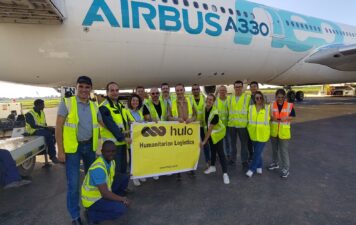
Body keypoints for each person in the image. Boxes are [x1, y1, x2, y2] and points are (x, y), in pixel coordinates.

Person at [56, 76, 103, 225]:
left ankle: (91, 209)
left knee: (92, 181)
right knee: (73, 184)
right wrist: (60, 150)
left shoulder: (94, 106)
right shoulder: (67, 103)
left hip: (89, 147)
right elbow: (58, 128)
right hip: (73, 149)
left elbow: (103, 123)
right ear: (76, 88)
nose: (84, 90)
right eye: (81, 87)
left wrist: (125, 132)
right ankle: (75, 216)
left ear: (91, 89)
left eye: (87, 87)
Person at [82, 141, 129, 225]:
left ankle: (114, 201)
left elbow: (113, 175)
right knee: (121, 209)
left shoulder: (111, 161)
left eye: (113, 151)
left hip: (103, 191)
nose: (111, 154)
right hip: (93, 200)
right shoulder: (98, 168)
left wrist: (127, 175)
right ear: (102, 151)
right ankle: (92, 215)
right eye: (108, 151)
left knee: (125, 177)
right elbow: (105, 194)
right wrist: (121, 199)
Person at [99, 82, 131, 176]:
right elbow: (111, 126)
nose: (115, 92)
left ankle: (122, 188)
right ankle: (114, 190)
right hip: (111, 145)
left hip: (121, 143)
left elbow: (124, 122)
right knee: (114, 170)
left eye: (117, 90)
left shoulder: (120, 105)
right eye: (112, 90)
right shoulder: (104, 107)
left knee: (123, 167)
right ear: (107, 92)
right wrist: (124, 138)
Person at [168, 84, 197, 180]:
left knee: (189, 150)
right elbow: (168, 117)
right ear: (175, 92)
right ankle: (178, 171)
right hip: (177, 131)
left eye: (181, 90)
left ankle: (190, 168)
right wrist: (176, 119)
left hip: (188, 131)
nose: (179, 92)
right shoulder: (171, 102)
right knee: (178, 151)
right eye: (177, 90)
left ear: (184, 90)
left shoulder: (190, 101)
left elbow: (195, 115)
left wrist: (192, 119)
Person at [201, 94, 230, 184]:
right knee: (213, 151)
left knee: (221, 154)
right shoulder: (204, 109)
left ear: (213, 102)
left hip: (218, 134)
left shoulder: (215, 114)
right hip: (211, 135)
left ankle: (225, 174)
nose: (209, 101)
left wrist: (204, 141)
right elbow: (204, 122)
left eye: (211, 100)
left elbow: (210, 129)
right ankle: (212, 167)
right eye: (208, 99)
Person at [267, 89, 296, 178]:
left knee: (283, 151)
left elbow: (292, 116)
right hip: (274, 131)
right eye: (278, 97)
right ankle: (275, 163)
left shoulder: (289, 105)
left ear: (285, 97)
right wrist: (272, 118)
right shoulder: (272, 105)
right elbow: (268, 116)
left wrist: (286, 118)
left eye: (282, 97)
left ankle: (286, 169)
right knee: (274, 150)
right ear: (276, 97)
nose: (280, 99)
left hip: (284, 132)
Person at [142, 88, 166, 180]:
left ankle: (162, 169)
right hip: (153, 133)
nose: (155, 94)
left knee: (161, 152)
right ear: (150, 94)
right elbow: (147, 117)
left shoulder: (163, 103)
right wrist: (153, 120)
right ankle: (154, 171)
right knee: (153, 153)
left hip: (163, 132)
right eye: (153, 93)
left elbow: (166, 116)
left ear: (159, 94)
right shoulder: (147, 104)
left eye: (156, 93)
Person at [227, 81, 251, 171]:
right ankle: (233, 159)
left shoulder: (247, 98)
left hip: (243, 126)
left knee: (244, 145)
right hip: (232, 125)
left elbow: (251, 111)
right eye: (236, 87)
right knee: (233, 144)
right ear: (234, 88)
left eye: (239, 87)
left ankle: (244, 161)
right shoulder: (230, 98)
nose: (238, 88)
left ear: (242, 87)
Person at [245, 91, 270, 178]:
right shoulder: (251, 108)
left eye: (260, 98)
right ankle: (259, 166)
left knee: (256, 152)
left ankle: (252, 169)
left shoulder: (267, 108)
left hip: (263, 135)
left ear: (262, 98)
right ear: (254, 99)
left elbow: (273, 117)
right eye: (256, 98)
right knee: (257, 152)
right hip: (253, 134)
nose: (258, 99)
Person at [25, 99, 59, 163]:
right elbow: (33, 126)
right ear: (37, 105)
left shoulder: (41, 112)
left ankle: (49, 147)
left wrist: (48, 128)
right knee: (48, 134)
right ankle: (53, 156)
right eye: (42, 105)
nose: (44, 106)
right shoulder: (29, 114)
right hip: (32, 131)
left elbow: (44, 123)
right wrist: (46, 128)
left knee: (56, 131)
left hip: (41, 129)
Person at [126, 93, 147, 186]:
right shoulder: (126, 112)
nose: (135, 102)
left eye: (137, 101)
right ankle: (134, 176)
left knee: (140, 158)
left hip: (140, 139)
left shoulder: (139, 112)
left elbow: (142, 123)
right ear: (130, 101)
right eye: (133, 100)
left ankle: (140, 174)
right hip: (131, 140)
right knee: (133, 159)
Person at [191, 84, 210, 168]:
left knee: (205, 144)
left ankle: (207, 161)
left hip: (202, 126)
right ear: (192, 91)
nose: (195, 91)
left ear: (199, 90)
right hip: (193, 127)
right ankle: (193, 163)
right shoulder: (189, 100)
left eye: (197, 89)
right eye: (194, 89)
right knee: (193, 145)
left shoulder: (204, 98)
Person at [215, 85, 231, 161]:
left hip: (227, 125)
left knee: (228, 140)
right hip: (219, 125)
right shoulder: (216, 101)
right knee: (220, 141)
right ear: (218, 92)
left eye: (224, 90)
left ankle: (228, 154)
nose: (222, 92)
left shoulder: (229, 100)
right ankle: (222, 154)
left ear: (226, 92)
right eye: (221, 90)